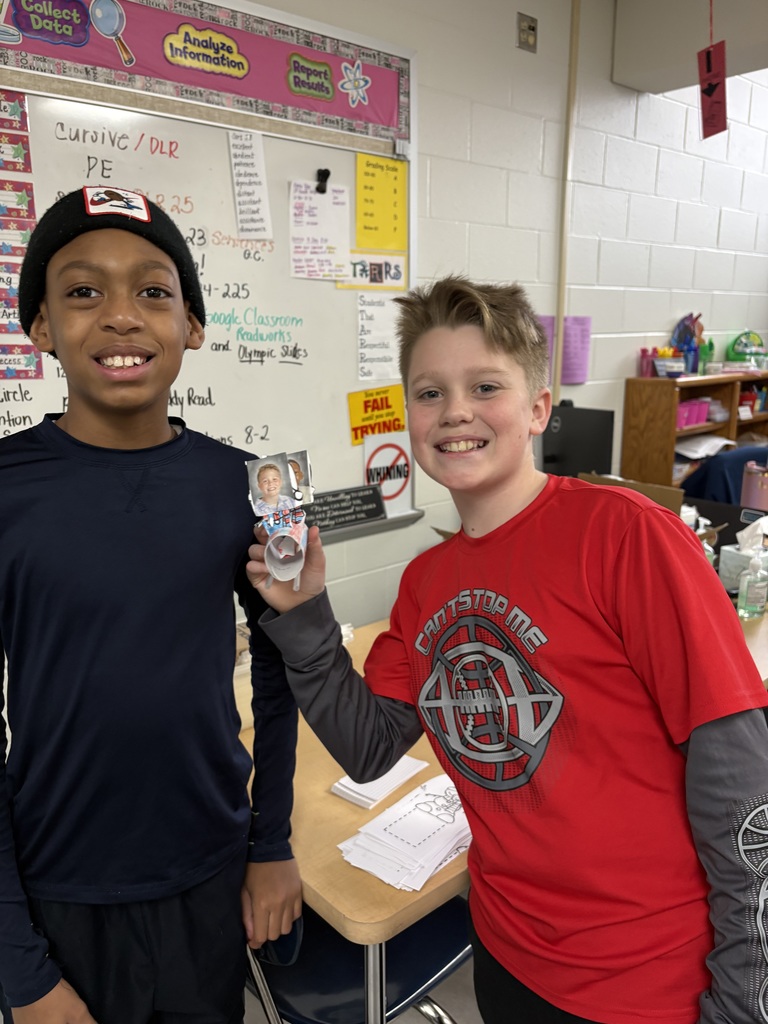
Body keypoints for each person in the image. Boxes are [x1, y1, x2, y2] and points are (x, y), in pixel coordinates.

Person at [246, 275, 768, 1024]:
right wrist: (303, 615)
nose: (455, 410)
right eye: (429, 393)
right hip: (508, 959)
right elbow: (367, 747)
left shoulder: (625, 536)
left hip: (649, 982)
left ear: (538, 409)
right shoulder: (427, 581)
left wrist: (745, 1000)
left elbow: (741, 785)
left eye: (484, 385)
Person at [0, 186, 301, 1024]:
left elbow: (284, 679)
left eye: (154, 291)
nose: (121, 316)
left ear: (192, 327)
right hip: (57, 881)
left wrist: (270, 846)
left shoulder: (260, 487)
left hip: (209, 873)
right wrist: (19, 967)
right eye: (83, 291)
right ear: (40, 330)